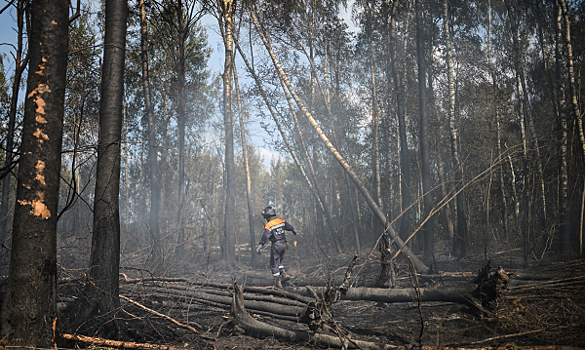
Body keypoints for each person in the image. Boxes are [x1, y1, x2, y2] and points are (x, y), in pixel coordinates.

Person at [256, 206, 296, 288]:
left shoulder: (269, 224)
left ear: (268, 215)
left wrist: (260, 246)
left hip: (276, 245)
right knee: (279, 261)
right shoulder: (281, 220)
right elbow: (289, 227)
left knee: (274, 264)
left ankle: (277, 282)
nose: (264, 218)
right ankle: (284, 274)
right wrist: (293, 230)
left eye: (265, 216)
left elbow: (265, 236)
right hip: (284, 244)